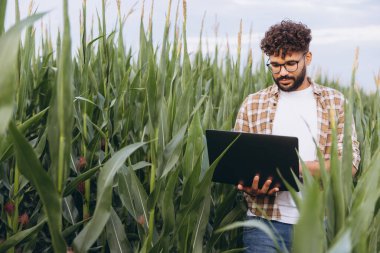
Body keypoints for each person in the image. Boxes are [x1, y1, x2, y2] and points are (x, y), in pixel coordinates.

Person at [234, 20, 360, 252]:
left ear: (307, 58)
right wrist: (247, 186)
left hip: (318, 224)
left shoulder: (334, 102)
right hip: (263, 225)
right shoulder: (253, 104)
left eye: (291, 63)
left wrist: (289, 166)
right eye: (275, 65)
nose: (282, 72)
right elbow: (238, 162)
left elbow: (348, 165)